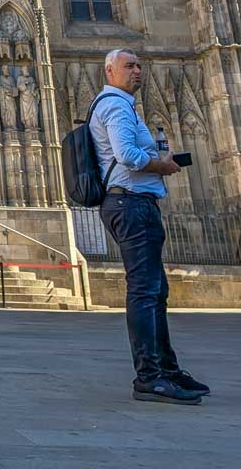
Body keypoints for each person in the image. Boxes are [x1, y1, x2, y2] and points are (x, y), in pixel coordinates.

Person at [91, 49, 208, 404]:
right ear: (110, 71)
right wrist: (162, 165)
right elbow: (127, 155)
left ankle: (166, 369)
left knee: (155, 291)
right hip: (130, 204)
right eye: (129, 66)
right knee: (145, 291)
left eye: (139, 65)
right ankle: (150, 376)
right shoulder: (115, 106)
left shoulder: (119, 105)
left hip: (132, 204)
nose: (138, 71)